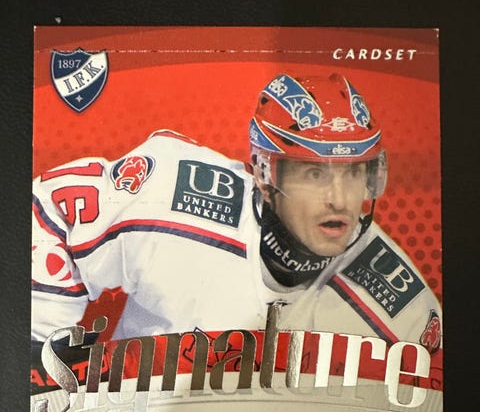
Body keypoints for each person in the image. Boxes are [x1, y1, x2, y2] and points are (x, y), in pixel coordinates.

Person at [31, 72, 442, 355]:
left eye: (354, 173)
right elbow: (50, 209)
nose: (340, 199)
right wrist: (43, 347)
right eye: (315, 173)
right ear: (264, 174)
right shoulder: (174, 193)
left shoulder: (399, 308)